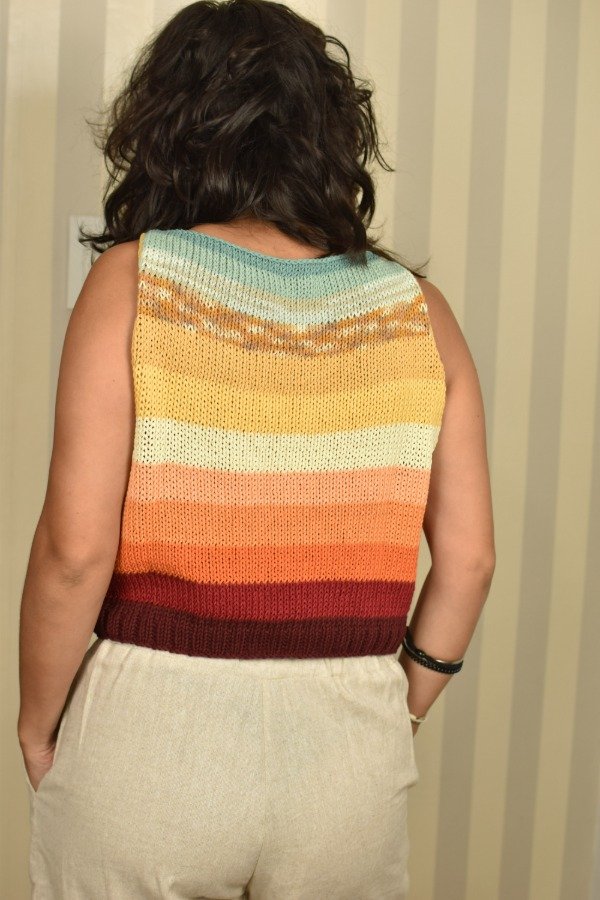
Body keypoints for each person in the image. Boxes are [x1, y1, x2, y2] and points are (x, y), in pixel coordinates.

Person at [17, 1, 495, 897]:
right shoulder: (419, 310)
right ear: (331, 133)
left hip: (148, 735)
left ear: (166, 129)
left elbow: (74, 553)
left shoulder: (133, 283)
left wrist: (39, 725)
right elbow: (468, 563)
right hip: (349, 740)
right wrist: (392, 711)